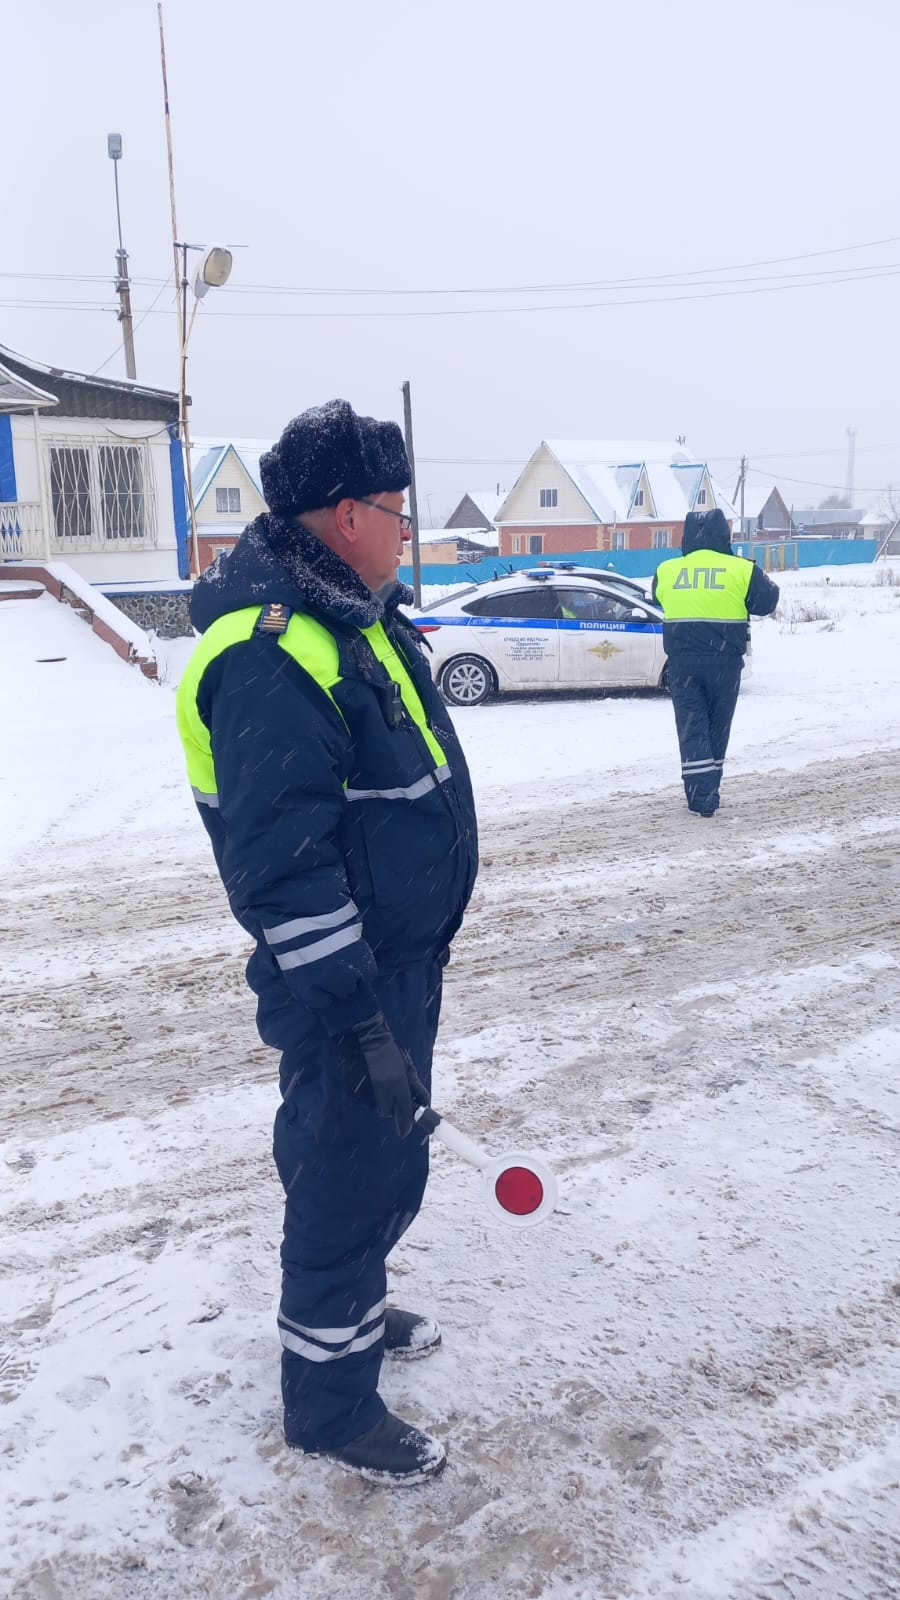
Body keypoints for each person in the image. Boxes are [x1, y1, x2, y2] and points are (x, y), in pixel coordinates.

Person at [176, 399, 478, 1484]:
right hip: (345, 978)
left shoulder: (350, 616)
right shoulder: (272, 652)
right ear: (344, 514)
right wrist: (357, 1016)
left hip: (396, 963)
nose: (408, 530)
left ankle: (354, 1306)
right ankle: (331, 1403)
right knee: (347, 1169)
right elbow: (283, 868)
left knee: (388, 1157)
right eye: (396, 511)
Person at [651, 508, 779, 815]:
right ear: (724, 536)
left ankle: (701, 794)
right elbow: (768, 601)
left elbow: (657, 598)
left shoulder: (667, 569)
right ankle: (709, 790)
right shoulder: (740, 569)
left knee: (692, 726)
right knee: (717, 727)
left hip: (682, 665)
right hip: (724, 663)